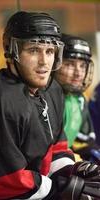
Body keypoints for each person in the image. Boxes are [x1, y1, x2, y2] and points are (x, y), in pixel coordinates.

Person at [0, 11, 100, 200]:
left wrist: (71, 171)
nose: (44, 62)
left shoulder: (52, 89)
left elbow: (56, 148)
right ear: (12, 51)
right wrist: (60, 189)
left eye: (50, 51)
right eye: (34, 50)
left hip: (28, 190)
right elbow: (3, 181)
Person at [55, 33, 100, 162]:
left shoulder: (79, 100)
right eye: (69, 64)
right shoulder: (44, 98)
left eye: (83, 66)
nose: (78, 73)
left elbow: (83, 142)